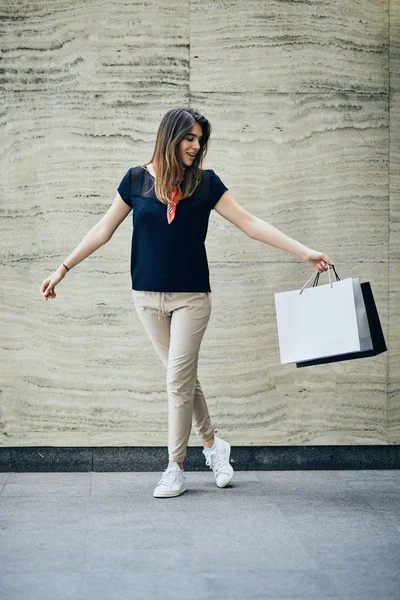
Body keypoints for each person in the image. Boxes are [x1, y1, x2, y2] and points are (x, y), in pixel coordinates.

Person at [40, 107, 333, 499]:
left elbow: (250, 223)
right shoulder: (136, 180)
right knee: (184, 381)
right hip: (145, 299)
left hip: (192, 299)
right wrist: (63, 268)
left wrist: (303, 252)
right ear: (170, 137)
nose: (196, 146)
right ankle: (214, 446)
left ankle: (175, 468)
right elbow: (102, 230)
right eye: (189, 138)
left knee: (177, 381)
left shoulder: (206, 184)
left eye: (200, 140)